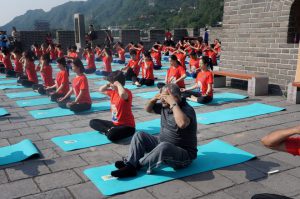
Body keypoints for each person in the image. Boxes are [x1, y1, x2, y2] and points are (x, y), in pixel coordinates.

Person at [111, 83, 197, 178]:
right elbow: (148, 109)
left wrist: (173, 103)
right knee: (139, 135)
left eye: (165, 96)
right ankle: (131, 163)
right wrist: (153, 99)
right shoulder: (165, 106)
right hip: (162, 143)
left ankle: (135, 166)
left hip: (184, 154)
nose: (162, 99)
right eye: (161, 96)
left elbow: (182, 123)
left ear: (175, 97)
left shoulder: (187, 109)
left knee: (165, 147)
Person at [90, 71, 136, 141]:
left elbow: (123, 95)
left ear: (117, 83)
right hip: (115, 124)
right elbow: (101, 90)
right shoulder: (113, 92)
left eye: (112, 83)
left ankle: (109, 131)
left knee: (112, 135)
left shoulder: (127, 93)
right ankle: (107, 130)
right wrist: (108, 84)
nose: (111, 85)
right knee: (93, 122)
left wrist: (118, 84)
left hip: (128, 127)